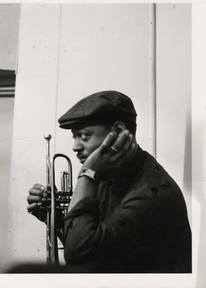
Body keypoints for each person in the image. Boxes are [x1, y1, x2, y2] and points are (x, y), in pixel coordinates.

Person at [27, 90, 191, 273]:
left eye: (84, 136)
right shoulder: (109, 174)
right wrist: (54, 217)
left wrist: (87, 174)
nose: (75, 147)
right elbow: (94, 244)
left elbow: (79, 255)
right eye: (74, 137)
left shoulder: (151, 194)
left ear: (119, 131)